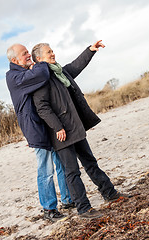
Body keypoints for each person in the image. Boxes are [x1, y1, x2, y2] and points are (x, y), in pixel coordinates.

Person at [31, 40, 129, 219]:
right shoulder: (41, 79)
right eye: (49, 52)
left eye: (52, 51)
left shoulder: (60, 72)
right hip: (61, 133)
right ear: (39, 59)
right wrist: (58, 127)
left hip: (75, 127)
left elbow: (76, 65)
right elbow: (42, 107)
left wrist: (90, 50)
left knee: (91, 162)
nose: (53, 54)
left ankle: (110, 194)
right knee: (72, 171)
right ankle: (84, 209)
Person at [6, 44, 75, 221]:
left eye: (29, 52)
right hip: (36, 129)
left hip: (48, 125)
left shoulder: (25, 72)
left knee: (59, 164)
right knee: (46, 169)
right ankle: (49, 209)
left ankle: (67, 200)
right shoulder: (13, 76)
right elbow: (42, 74)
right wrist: (41, 62)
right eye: (25, 54)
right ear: (14, 60)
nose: (29, 55)